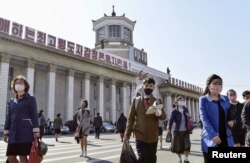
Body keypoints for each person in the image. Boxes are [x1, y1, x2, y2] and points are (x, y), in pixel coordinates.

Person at [124, 77, 166, 163]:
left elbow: (164, 117)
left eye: (151, 86)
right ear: (142, 86)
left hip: (153, 137)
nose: (148, 88)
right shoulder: (136, 101)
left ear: (153, 88)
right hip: (140, 136)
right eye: (146, 85)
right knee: (143, 158)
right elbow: (130, 118)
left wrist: (159, 113)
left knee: (152, 159)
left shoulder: (157, 101)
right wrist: (127, 134)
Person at [3, 75, 39, 163]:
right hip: (13, 134)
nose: (18, 84)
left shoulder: (30, 99)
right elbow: (9, 117)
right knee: (11, 158)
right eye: (17, 83)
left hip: (25, 133)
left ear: (25, 86)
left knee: (23, 157)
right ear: (14, 85)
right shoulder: (12, 101)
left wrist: (36, 131)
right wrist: (6, 131)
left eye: (21, 83)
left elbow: (34, 115)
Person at [199, 74, 234, 163]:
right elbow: (204, 119)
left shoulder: (225, 99)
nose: (218, 86)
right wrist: (213, 135)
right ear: (209, 85)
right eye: (215, 83)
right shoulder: (203, 99)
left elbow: (232, 114)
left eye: (220, 84)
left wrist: (233, 121)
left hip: (226, 138)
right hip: (211, 138)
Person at [167, 95, 191, 163]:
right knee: (178, 147)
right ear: (177, 102)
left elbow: (189, 119)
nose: (182, 101)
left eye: (183, 100)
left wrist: (189, 116)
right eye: (181, 100)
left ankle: (186, 159)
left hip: (186, 131)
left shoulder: (186, 109)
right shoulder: (174, 111)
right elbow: (170, 120)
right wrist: (169, 128)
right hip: (177, 131)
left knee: (187, 145)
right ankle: (180, 159)